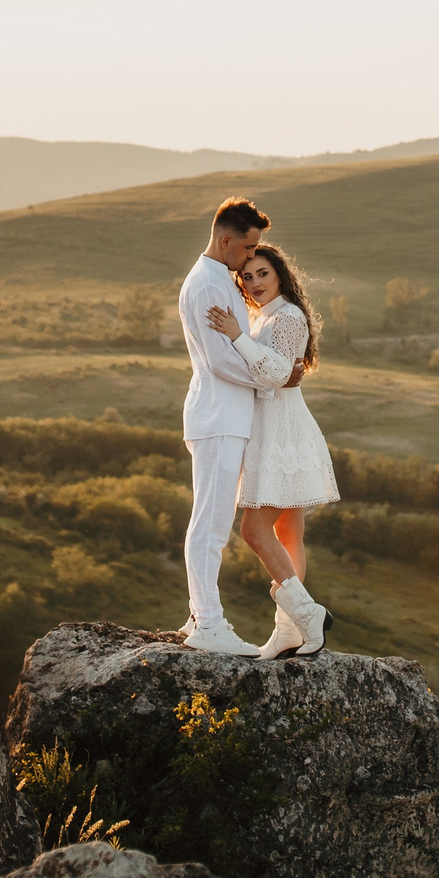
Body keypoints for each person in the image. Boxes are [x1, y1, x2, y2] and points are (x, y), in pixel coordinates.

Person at [202, 243, 339, 658]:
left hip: (282, 433)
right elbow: (276, 373)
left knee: (254, 530)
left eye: (263, 273)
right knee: (288, 533)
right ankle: (289, 630)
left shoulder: (288, 315)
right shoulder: (265, 317)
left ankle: (307, 614)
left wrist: (236, 337)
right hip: (272, 427)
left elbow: (278, 374)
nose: (255, 283)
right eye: (247, 276)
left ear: (280, 274)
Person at [173, 197, 273, 655]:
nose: (252, 257)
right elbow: (220, 360)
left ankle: (199, 618)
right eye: (248, 248)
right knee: (211, 524)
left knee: (212, 521)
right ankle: (210, 624)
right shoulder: (209, 286)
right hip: (217, 416)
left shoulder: (220, 280)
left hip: (226, 415)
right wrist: (267, 377)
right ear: (226, 239)